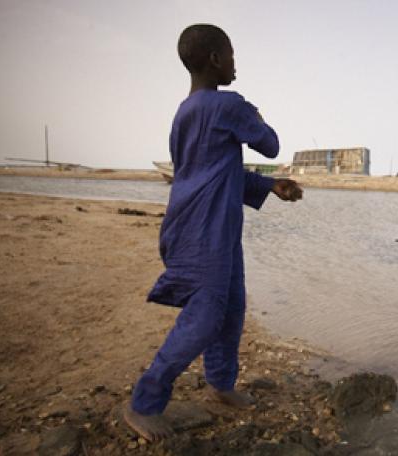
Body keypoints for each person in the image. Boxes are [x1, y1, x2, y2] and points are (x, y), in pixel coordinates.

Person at [124, 23, 303, 441]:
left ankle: (221, 385)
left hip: (208, 228)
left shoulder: (183, 113)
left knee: (232, 308)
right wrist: (255, 115)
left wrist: (268, 186)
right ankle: (143, 403)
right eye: (233, 55)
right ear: (216, 59)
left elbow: (212, 171)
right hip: (202, 232)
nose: (236, 64)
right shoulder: (228, 106)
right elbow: (271, 145)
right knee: (205, 318)